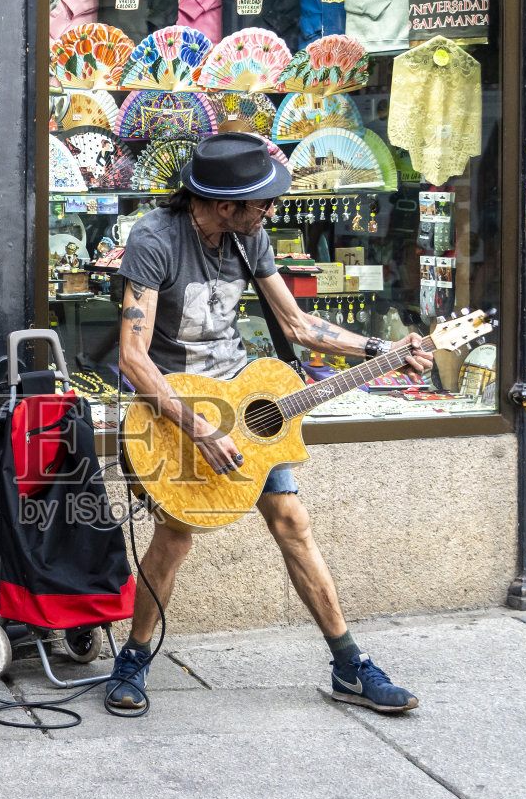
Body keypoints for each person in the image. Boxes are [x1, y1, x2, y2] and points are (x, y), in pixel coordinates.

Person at [109, 132, 433, 714]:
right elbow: (134, 357)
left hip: (249, 401)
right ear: (224, 204)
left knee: (292, 521)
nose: (272, 211)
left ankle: (350, 665)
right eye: (262, 201)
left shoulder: (248, 237)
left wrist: (387, 349)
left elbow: (299, 325)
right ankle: (133, 659)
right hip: (177, 410)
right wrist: (198, 430)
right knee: (175, 539)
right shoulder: (154, 239)